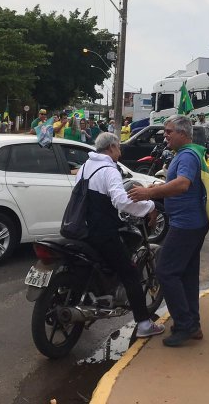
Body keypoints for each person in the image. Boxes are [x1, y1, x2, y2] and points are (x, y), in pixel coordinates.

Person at [129, 115, 209, 347]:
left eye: (169, 131)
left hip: (187, 224)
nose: (165, 135)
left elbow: (183, 184)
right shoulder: (189, 153)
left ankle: (186, 324)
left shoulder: (187, 155)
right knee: (186, 274)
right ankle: (192, 323)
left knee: (165, 271)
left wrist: (149, 194)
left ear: (183, 133)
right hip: (191, 222)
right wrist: (157, 199)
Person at [77, 132, 165, 338]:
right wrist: (149, 206)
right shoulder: (109, 170)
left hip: (80, 229)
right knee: (131, 273)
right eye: (118, 147)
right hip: (102, 232)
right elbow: (121, 201)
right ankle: (144, 325)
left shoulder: (85, 166)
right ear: (111, 148)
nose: (120, 151)